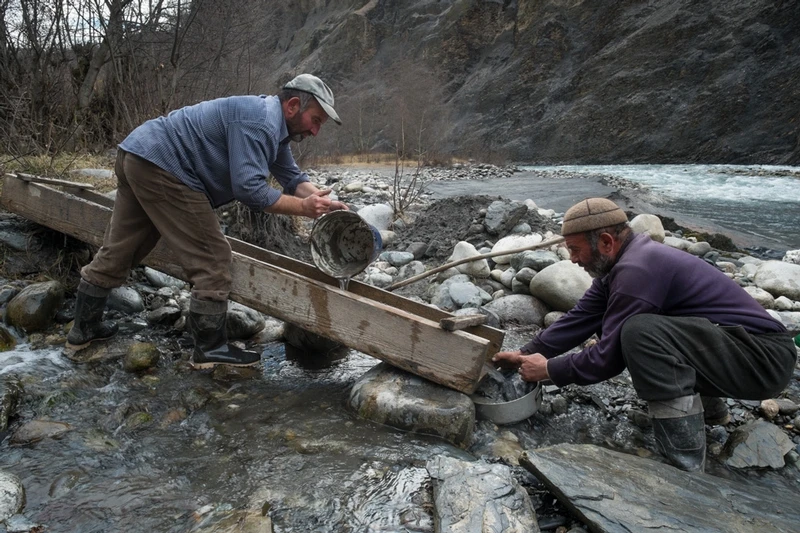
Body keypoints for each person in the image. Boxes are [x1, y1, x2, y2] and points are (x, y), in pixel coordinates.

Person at [66, 73, 348, 368]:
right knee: (213, 256)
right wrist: (303, 207)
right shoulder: (260, 122)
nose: (316, 131)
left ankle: (83, 331)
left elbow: (291, 176)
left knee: (122, 247)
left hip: (138, 154)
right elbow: (249, 189)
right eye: (315, 120)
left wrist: (321, 199)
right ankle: (210, 349)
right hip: (167, 167)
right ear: (293, 106)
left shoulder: (272, 125)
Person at [493, 198, 796, 472]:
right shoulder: (621, 265)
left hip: (764, 360)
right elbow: (580, 317)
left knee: (639, 333)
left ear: (607, 242)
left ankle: (685, 466)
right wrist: (526, 352)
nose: (572, 259)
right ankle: (711, 414)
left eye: (574, 249)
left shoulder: (638, 270)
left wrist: (549, 370)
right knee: (640, 328)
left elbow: (608, 358)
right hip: (739, 351)